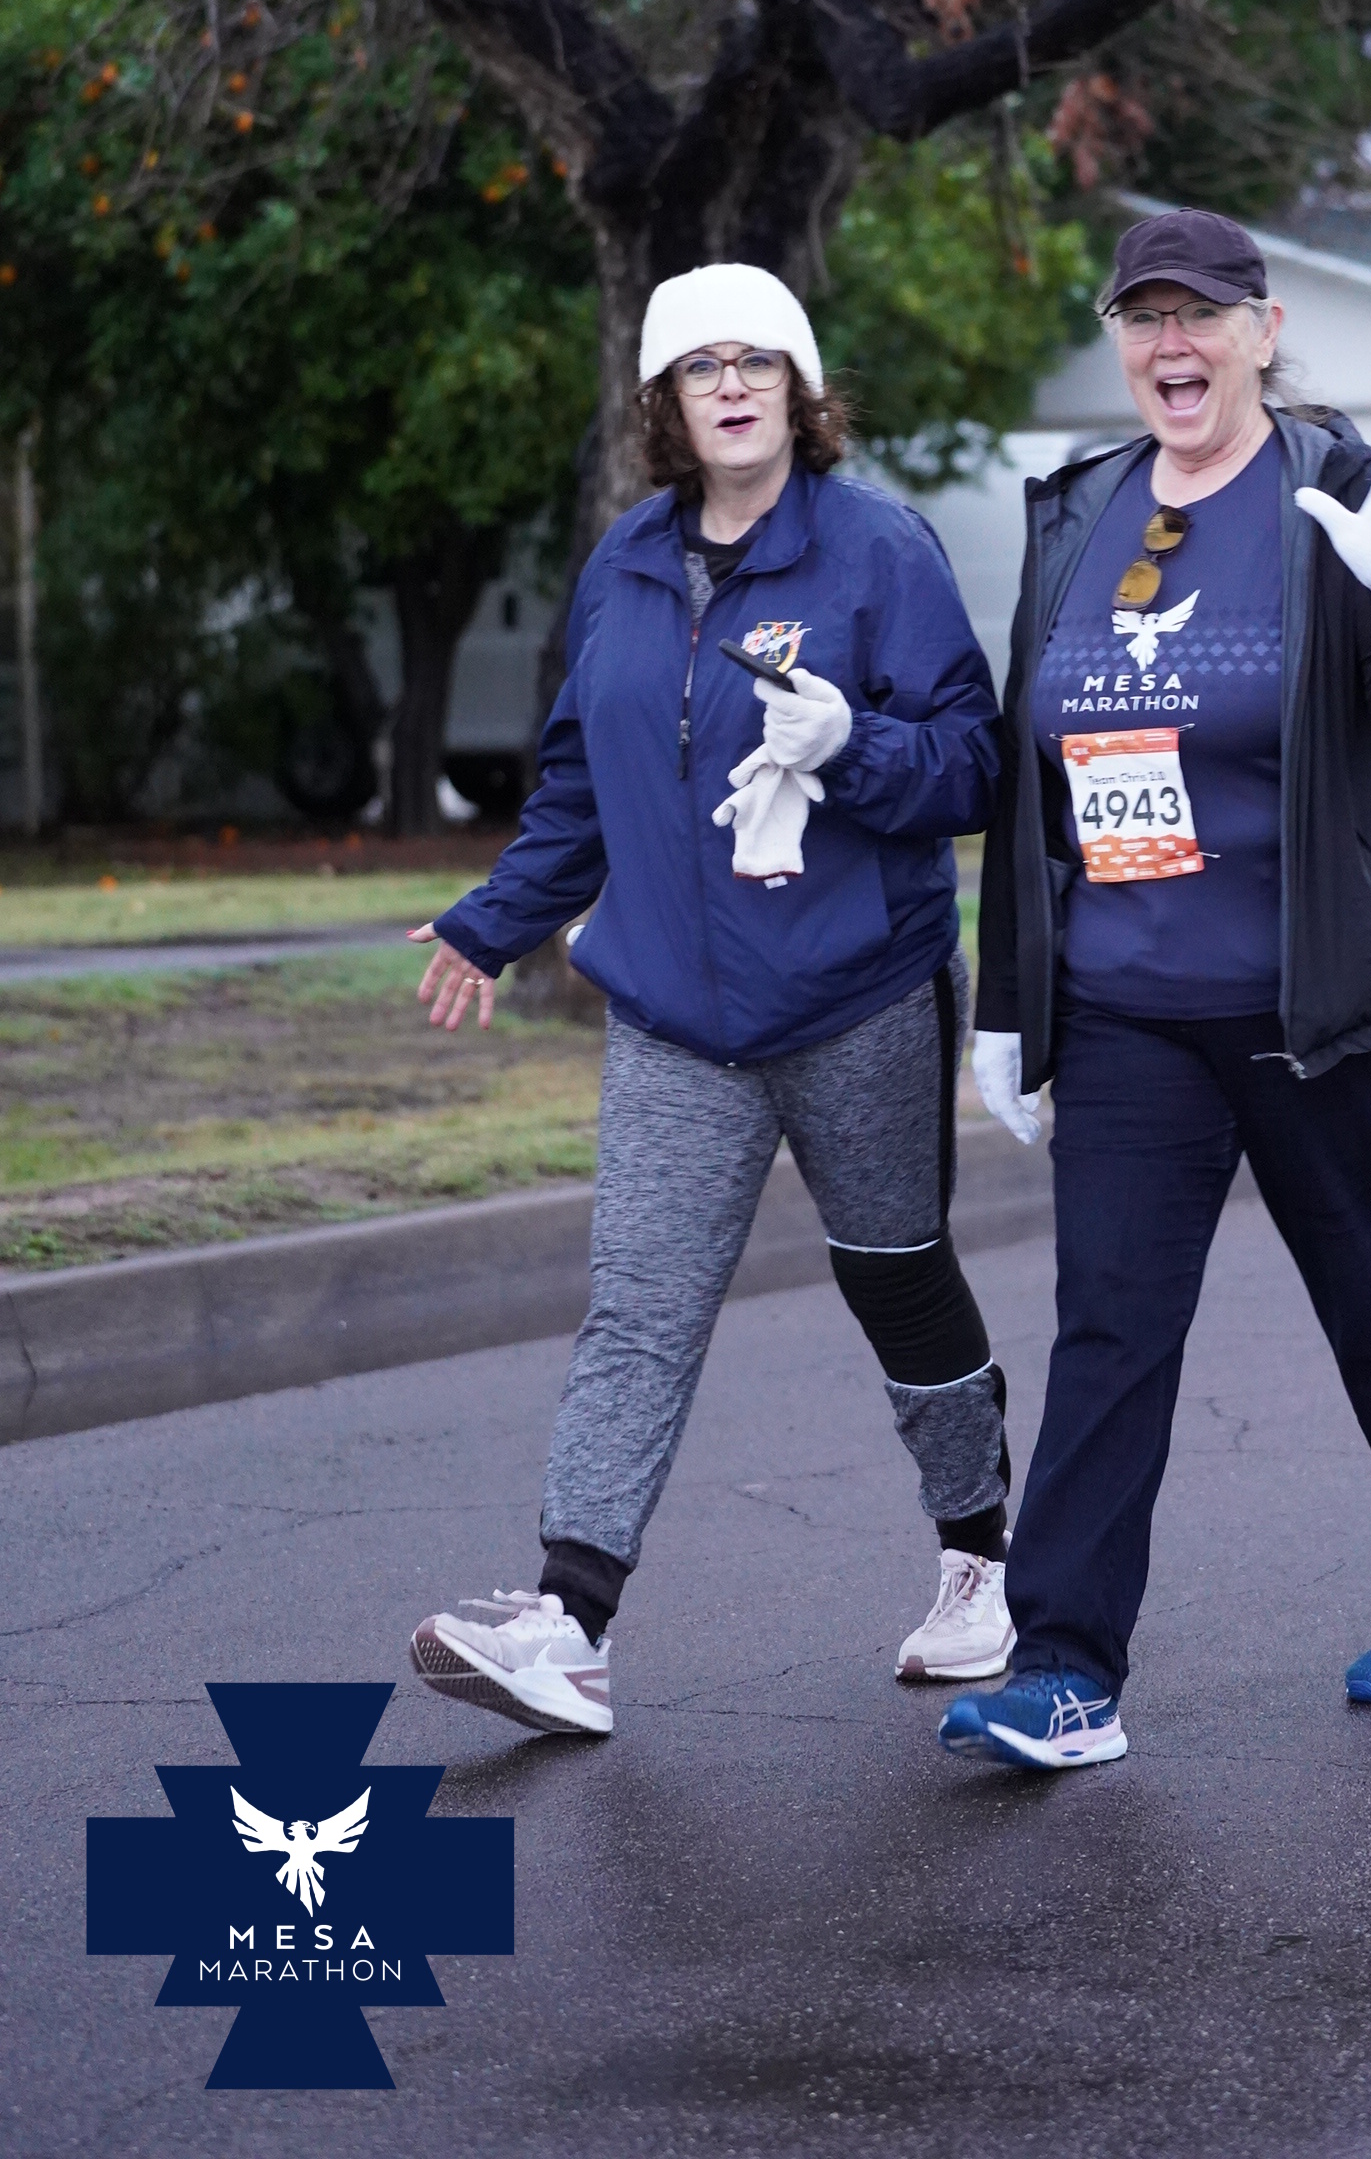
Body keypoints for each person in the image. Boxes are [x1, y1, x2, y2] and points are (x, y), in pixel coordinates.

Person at [942, 206, 1371, 1772]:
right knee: (1110, 1329)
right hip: (1129, 1005)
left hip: (1324, 992)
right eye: (1143, 317)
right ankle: (1065, 1669)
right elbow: (1038, 775)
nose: (1171, 344)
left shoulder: (1342, 492)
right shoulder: (1081, 508)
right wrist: (1012, 1000)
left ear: (1265, 332)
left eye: (1200, 313)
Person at [404, 263, 1015, 1740]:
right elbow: (582, 786)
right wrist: (494, 925)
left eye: (757, 362)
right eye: (700, 367)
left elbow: (976, 768)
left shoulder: (877, 550)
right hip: (676, 1013)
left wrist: (855, 742)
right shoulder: (623, 563)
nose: (730, 387)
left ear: (800, 391)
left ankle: (982, 1560)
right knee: (639, 1307)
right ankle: (570, 1624)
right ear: (665, 405)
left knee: (896, 1274)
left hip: (858, 994)